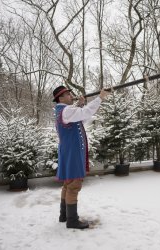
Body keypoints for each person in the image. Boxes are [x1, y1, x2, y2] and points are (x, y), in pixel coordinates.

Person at [53, 85, 110, 229]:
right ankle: (72, 221)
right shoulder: (65, 110)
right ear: (61, 98)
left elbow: (81, 118)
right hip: (72, 152)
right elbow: (84, 113)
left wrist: (81, 104)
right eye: (68, 95)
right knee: (74, 185)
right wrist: (100, 98)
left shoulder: (64, 110)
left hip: (70, 151)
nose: (71, 96)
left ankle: (64, 215)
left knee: (68, 183)